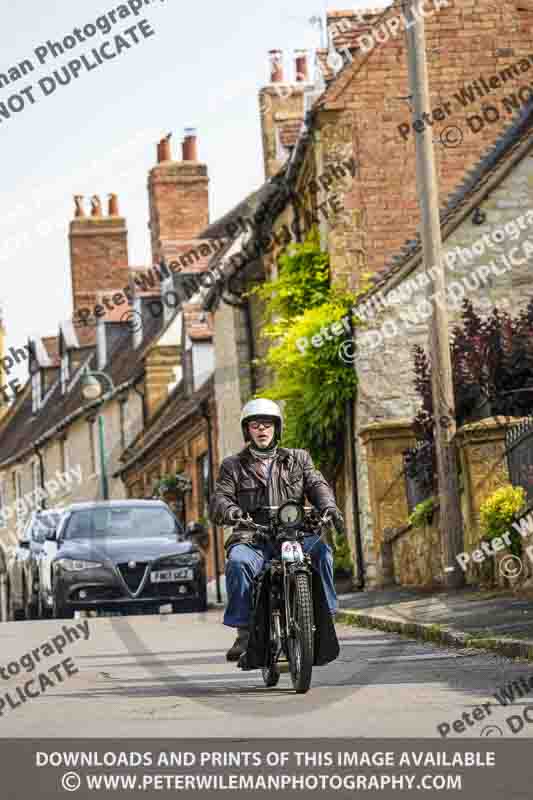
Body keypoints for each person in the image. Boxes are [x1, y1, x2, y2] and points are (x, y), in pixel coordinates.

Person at [210, 398, 345, 662]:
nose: (262, 429)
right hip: (253, 535)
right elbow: (220, 498)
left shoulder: (298, 459)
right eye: (255, 425)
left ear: (277, 428)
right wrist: (231, 511)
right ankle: (244, 631)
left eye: (268, 424)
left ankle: (326, 616)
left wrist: (329, 506)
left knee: (323, 554)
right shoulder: (232, 466)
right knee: (238, 563)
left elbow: (317, 484)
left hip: (295, 532)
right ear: (247, 430)